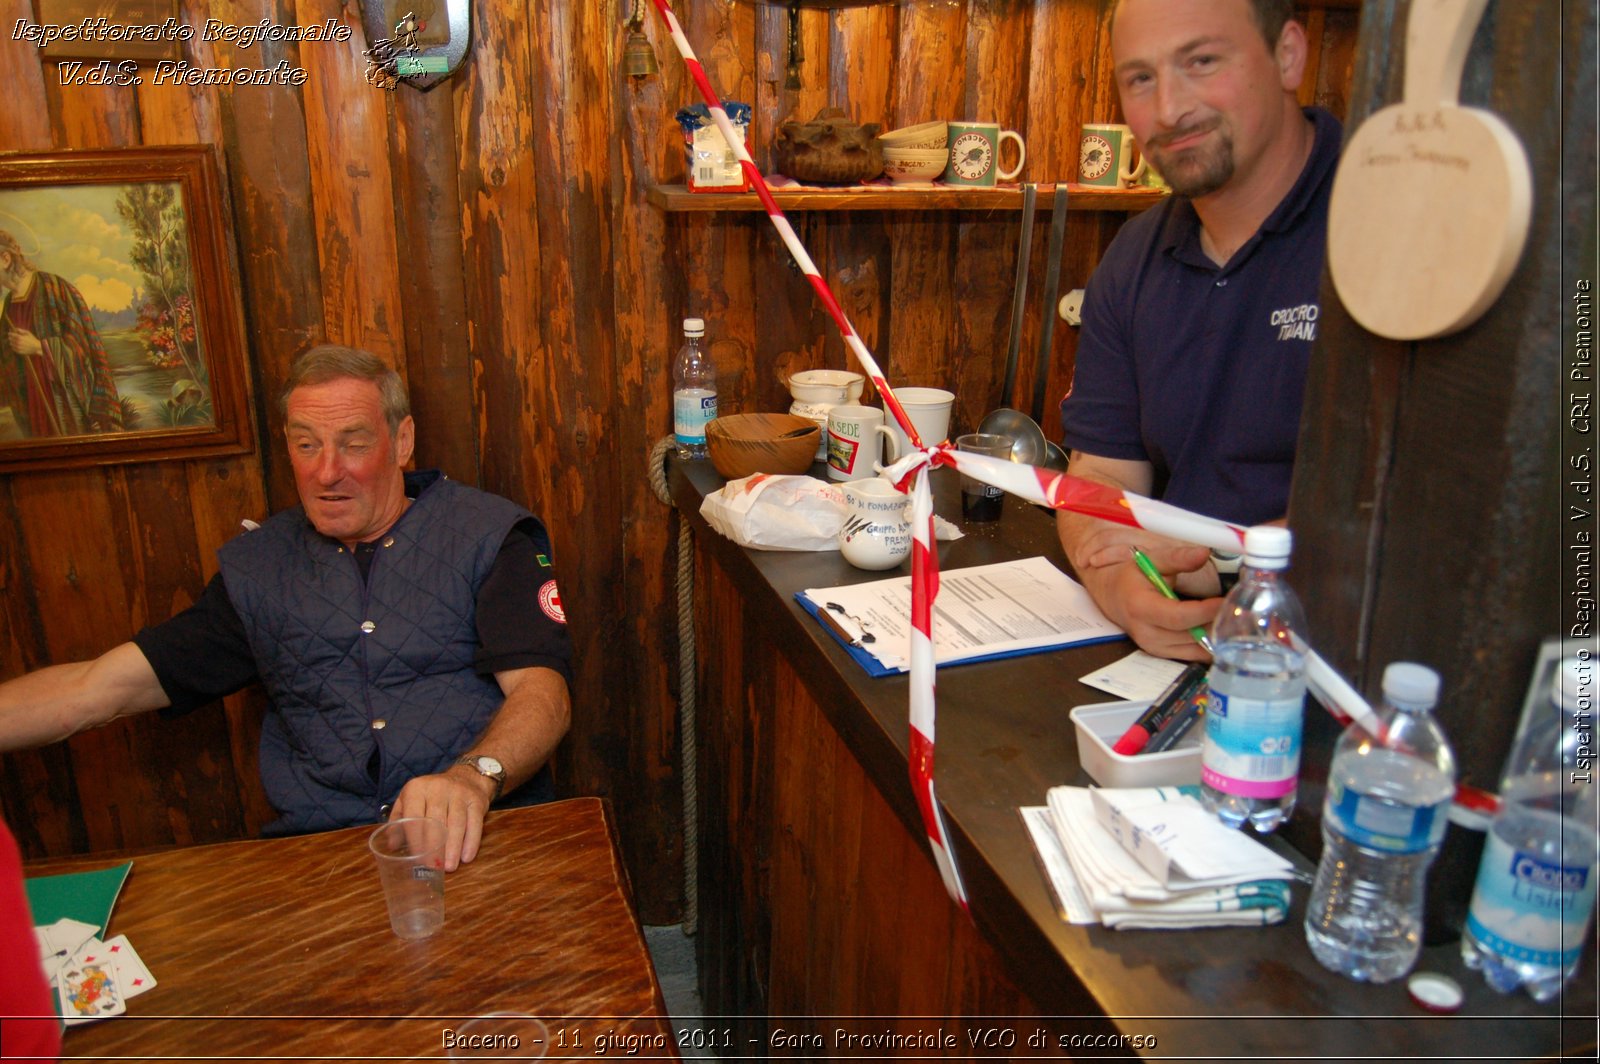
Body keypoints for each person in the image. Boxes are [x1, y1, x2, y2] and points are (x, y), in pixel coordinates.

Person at [0, 346, 572, 871]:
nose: (327, 471)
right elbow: (96, 690)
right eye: (306, 444)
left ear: (401, 442)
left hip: (482, 836)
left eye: (353, 442)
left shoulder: (490, 536)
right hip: (324, 854)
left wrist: (474, 777)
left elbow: (542, 694)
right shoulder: (260, 569)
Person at [1057, 0, 1339, 660]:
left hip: (1352, 674)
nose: (1169, 110)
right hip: (1182, 666)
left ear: (1289, 55)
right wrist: (1116, 582)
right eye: (1140, 78)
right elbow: (1099, 470)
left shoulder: (1392, 224)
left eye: (1201, 62)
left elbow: (1420, 512)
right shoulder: (1133, 256)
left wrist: (1219, 557)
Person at [0, 229, 125, 438]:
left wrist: (40, 347)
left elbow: (83, 349)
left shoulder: (54, 289)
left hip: (64, 408)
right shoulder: (8, 306)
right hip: (33, 408)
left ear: (5, 259)